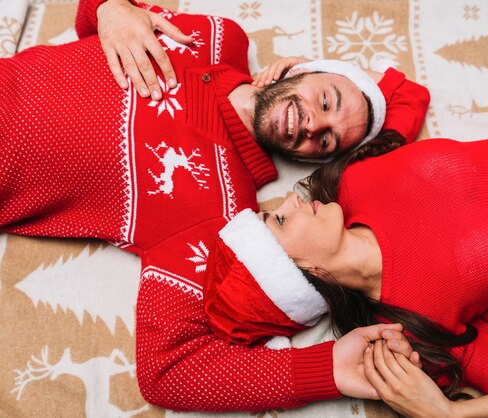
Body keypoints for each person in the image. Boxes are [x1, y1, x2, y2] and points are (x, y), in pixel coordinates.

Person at [1, 0, 431, 412]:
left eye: (326, 142)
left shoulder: (221, 218)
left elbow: (168, 370)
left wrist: (326, 369)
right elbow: (409, 94)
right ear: (302, 68)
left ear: (310, 160)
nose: (314, 124)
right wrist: (111, 8)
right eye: (326, 100)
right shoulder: (220, 38)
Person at [205, 109, 488, 417]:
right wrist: (447, 414)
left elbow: (388, 100)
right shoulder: (411, 326)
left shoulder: (351, 180)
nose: (292, 200)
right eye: (280, 220)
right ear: (302, 274)